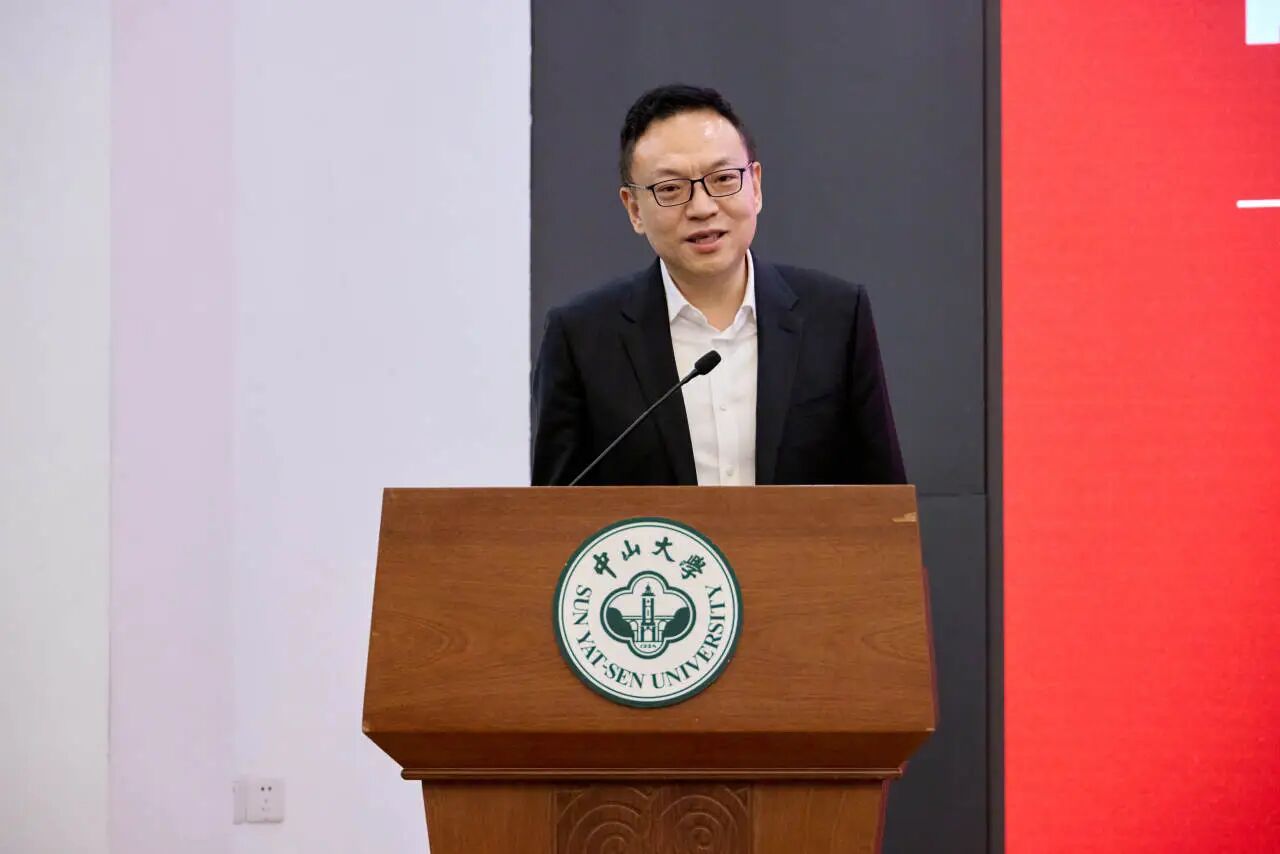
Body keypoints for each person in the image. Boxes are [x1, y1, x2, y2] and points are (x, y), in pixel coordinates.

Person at [531, 84, 905, 487]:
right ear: (634, 208)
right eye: (670, 189)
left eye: (723, 179)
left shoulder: (836, 318)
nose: (702, 207)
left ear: (755, 186)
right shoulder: (582, 339)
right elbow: (556, 513)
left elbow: (882, 499)